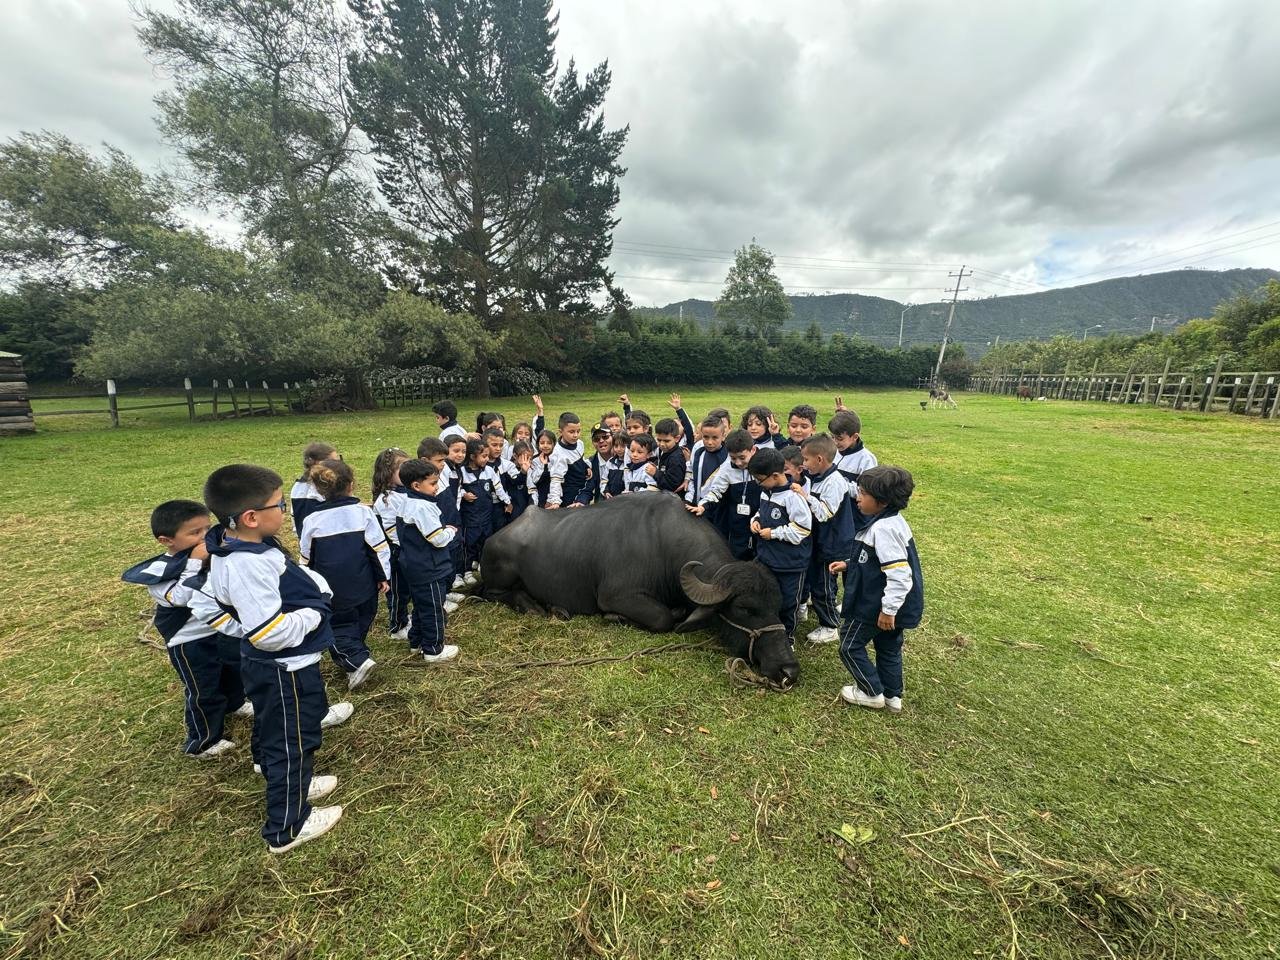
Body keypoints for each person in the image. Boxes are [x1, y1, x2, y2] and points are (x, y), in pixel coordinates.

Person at [202, 464, 350, 853]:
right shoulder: (245, 564)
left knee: (279, 729)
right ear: (251, 517)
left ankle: (289, 781)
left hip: (282, 666)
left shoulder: (241, 545)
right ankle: (288, 826)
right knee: (291, 741)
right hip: (284, 668)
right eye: (280, 505)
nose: (285, 511)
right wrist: (315, 612)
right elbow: (269, 634)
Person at [121, 500, 249, 759]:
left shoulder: (214, 555)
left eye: (207, 529)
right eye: (194, 532)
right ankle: (202, 742)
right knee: (204, 689)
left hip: (221, 630)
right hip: (189, 641)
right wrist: (194, 563)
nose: (204, 537)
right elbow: (180, 597)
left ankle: (235, 704)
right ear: (166, 540)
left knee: (234, 672)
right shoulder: (159, 572)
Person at [828, 466, 924, 713]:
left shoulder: (883, 530)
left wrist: (888, 610)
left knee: (849, 646)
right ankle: (893, 696)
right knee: (888, 647)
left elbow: (900, 575)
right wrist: (849, 564)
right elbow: (877, 561)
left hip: (874, 606)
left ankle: (871, 691)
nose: (857, 498)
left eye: (863, 493)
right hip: (892, 605)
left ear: (882, 502)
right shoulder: (891, 521)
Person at [299, 459, 390, 691]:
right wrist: (383, 576)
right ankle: (358, 655)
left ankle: (355, 660)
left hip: (333, 588)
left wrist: (307, 582)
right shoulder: (364, 513)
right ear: (351, 485)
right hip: (365, 583)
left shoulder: (311, 520)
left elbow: (307, 557)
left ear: (318, 489)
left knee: (337, 627)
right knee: (362, 617)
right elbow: (378, 548)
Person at [396, 459, 461, 664]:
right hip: (429, 568)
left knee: (421, 605)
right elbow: (437, 539)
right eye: (433, 483)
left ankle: (416, 641)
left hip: (413, 566)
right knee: (434, 608)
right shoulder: (423, 507)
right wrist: (450, 531)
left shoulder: (406, 501)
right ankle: (433, 649)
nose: (437, 487)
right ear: (417, 485)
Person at [747, 448, 812, 643]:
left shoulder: (793, 497)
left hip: (790, 564)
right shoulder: (766, 492)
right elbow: (761, 512)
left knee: (787, 603)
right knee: (767, 598)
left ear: (775, 476)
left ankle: (787, 639)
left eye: (759, 479)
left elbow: (802, 529)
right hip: (767, 559)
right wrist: (756, 520)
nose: (758, 483)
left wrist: (774, 533)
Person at [798, 435, 855, 645]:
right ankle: (824, 609)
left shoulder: (835, 482)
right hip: (820, 541)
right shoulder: (817, 476)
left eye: (806, 460)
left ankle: (830, 626)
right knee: (820, 580)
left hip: (831, 544)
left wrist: (805, 497)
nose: (804, 464)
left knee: (823, 585)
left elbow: (825, 513)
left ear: (820, 459)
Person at [689, 429, 759, 560]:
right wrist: (703, 506)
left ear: (753, 450)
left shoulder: (762, 464)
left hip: (759, 524)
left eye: (742, 458)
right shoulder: (726, 469)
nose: (738, 462)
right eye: (733, 458)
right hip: (737, 526)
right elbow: (716, 492)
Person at [417, 438, 466, 610]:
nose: (443, 464)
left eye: (444, 460)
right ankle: (440, 598)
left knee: (452, 559)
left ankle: (447, 590)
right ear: (425, 461)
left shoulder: (441, 473)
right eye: (439, 461)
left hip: (452, 524)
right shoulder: (424, 484)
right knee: (442, 564)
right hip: (441, 530)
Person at [371, 448, 411, 641]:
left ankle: (405, 617)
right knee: (397, 591)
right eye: (401, 468)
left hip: (407, 549)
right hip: (394, 553)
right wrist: (407, 545)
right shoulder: (387, 499)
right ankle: (397, 626)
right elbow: (391, 530)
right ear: (387, 473)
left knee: (407, 588)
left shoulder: (406, 491)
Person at [459, 436, 511, 569]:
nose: (487, 459)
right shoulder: (462, 472)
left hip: (486, 515)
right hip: (470, 517)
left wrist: (507, 501)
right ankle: (467, 570)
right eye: (484, 456)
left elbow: (498, 487)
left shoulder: (489, 471)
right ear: (472, 457)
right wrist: (464, 494)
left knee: (485, 540)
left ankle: (483, 565)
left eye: (487, 456)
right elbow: (457, 488)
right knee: (469, 542)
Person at [685, 416, 728, 521]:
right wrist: (689, 498)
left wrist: (705, 504)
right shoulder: (698, 450)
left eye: (715, 438)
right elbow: (693, 474)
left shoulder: (728, 455)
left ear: (723, 436)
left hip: (719, 508)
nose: (709, 442)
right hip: (697, 505)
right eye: (706, 437)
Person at [290, 441, 337, 536]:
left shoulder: (297, 486)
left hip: (305, 537)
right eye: (333, 461)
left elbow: (294, 518)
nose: (338, 465)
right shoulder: (324, 487)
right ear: (318, 463)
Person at [547, 412, 590, 508]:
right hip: (569, 495)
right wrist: (555, 501)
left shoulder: (580, 443)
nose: (576, 435)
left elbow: (581, 458)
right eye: (571, 432)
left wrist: (587, 467)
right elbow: (556, 479)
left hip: (582, 490)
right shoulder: (558, 454)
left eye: (578, 431)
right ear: (560, 432)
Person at [829, 409, 878, 486]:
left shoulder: (866, 459)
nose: (835, 442)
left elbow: (867, 489)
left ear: (855, 437)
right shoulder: (830, 451)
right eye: (832, 437)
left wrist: (839, 486)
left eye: (840, 438)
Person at [652, 418, 688, 493]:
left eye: (666, 441)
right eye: (659, 440)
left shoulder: (675, 458)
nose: (662, 444)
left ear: (677, 438)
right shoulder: (663, 450)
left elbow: (673, 485)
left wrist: (655, 473)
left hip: (672, 497)